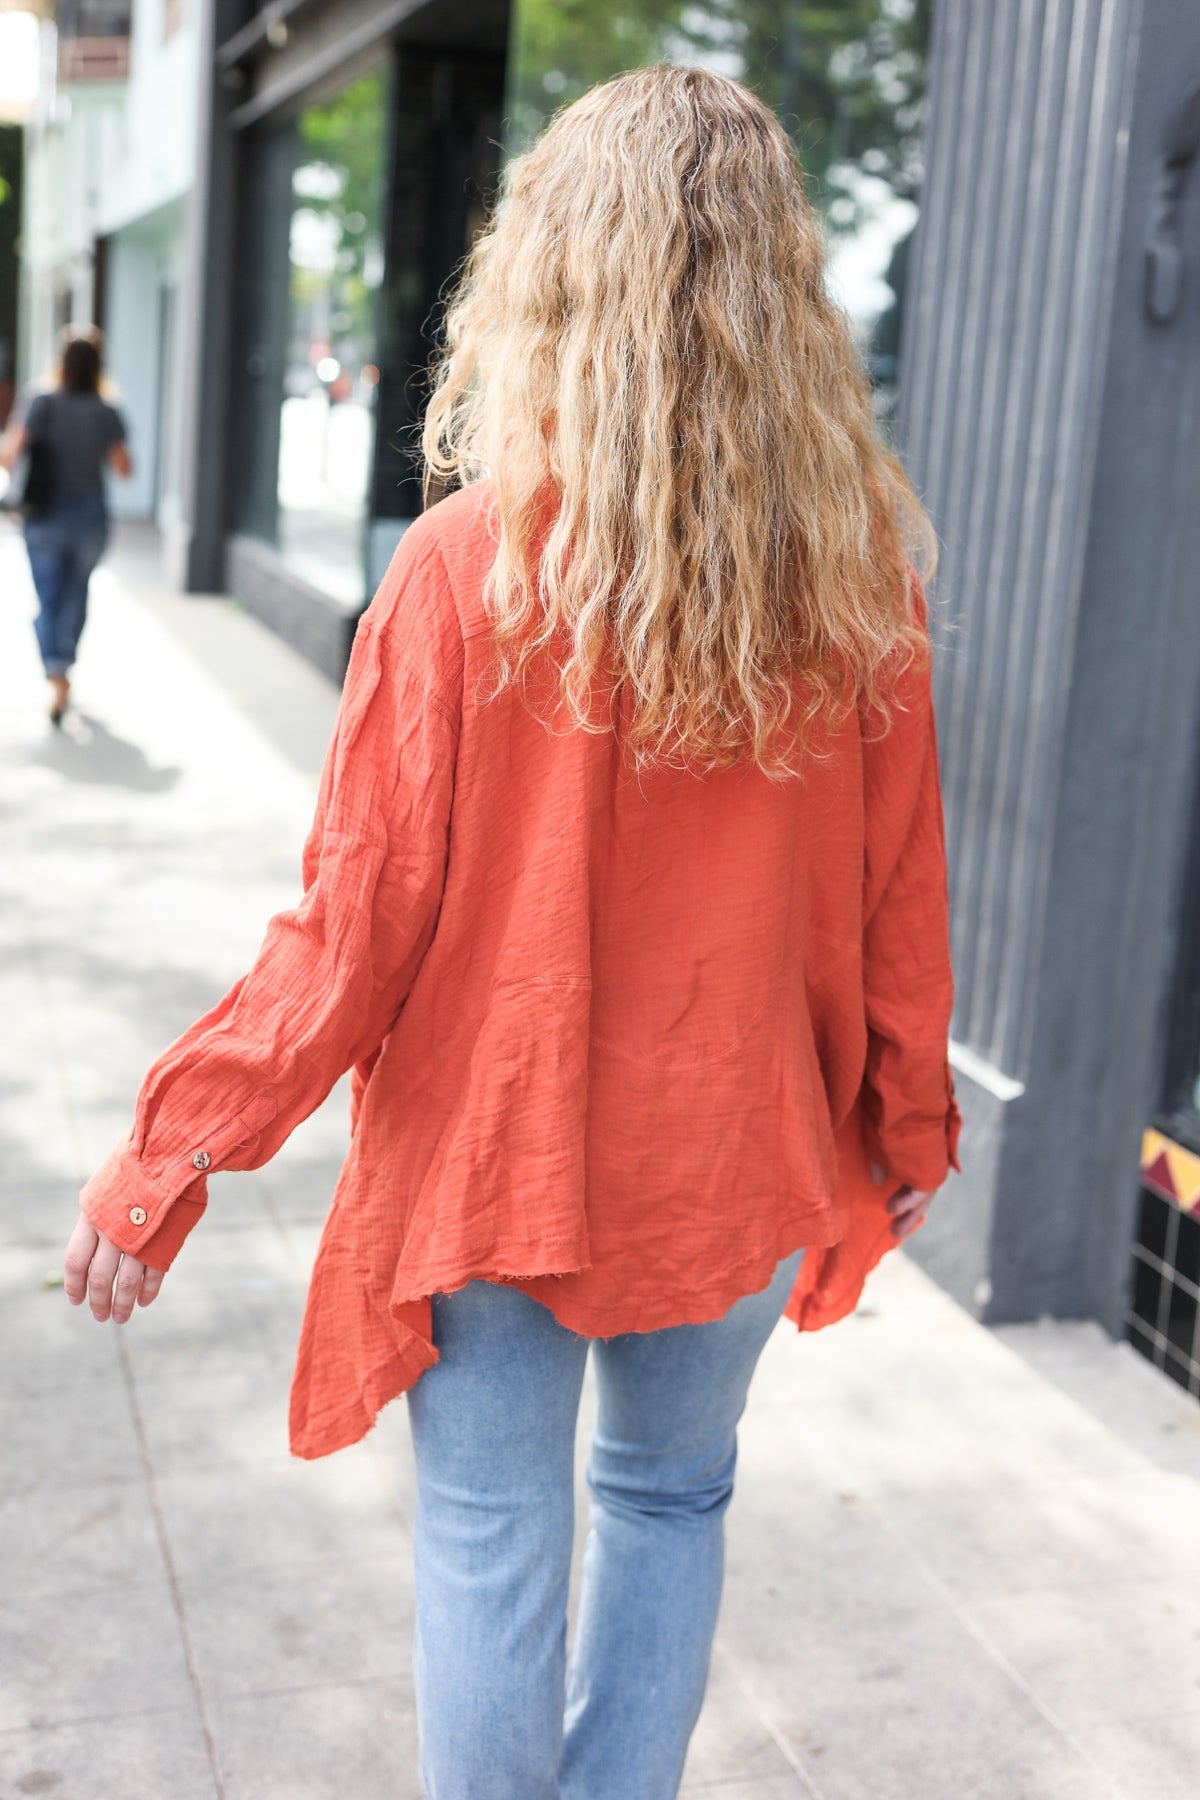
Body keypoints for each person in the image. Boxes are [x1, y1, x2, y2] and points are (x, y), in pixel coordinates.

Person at [63, 66, 962, 1800]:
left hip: (501, 1154)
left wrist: (168, 1153)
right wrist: (908, 1121)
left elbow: (352, 928)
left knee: (488, 1535)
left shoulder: (462, 567)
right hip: (735, 1149)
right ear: (784, 297)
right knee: (670, 1502)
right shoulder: (866, 584)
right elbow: (899, 901)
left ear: (548, 279)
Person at [0, 327, 131, 723]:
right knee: (75, 595)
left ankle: (55, 673)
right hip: (90, 515)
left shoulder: (40, 401)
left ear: (61, 361)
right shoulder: (106, 409)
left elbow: (9, 455)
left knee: (48, 598)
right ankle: (62, 667)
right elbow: (124, 469)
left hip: (45, 516)